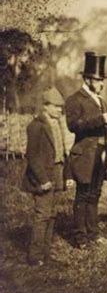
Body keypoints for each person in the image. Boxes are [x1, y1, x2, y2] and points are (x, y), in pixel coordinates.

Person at [65, 52, 107, 248]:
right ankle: (80, 238)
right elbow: (74, 125)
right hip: (85, 155)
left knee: (95, 194)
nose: (102, 84)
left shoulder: (101, 101)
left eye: (102, 80)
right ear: (87, 79)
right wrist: (100, 119)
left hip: (101, 154)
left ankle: (93, 234)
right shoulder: (75, 99)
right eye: (98, 80)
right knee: (83, 195)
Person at [23, 87, 74, 266]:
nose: (60, 110)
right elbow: (32, 156)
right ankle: (35, 256)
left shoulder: (58, 125)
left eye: (61, 107)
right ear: (45, 107)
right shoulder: (36, 126)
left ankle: (46, 253)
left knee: (52, 214)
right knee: (42, 214)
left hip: (58, 172)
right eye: (56, 106)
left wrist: (67, 175)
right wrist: (43, 180)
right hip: (43, 177)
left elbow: (63, 153)